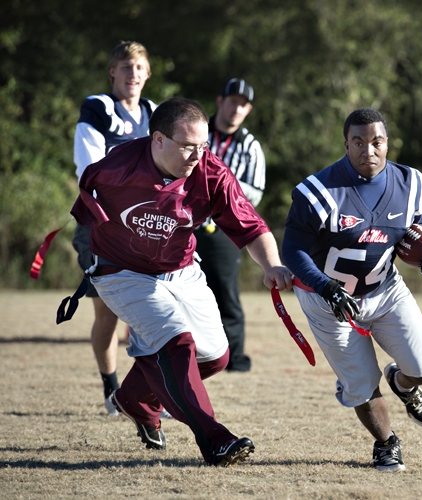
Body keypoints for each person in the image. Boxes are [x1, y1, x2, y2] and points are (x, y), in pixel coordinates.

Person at [69, 97, 293, 466]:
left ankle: (135, 399)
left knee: (217, 357)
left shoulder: (212, 172)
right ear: (157, 140)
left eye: (202, 145)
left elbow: (251, 227)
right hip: (122, 271)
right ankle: (215, 440)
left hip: (181, 268)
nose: (197, 154)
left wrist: (272, 264)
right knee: (176, 341)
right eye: (187, 145)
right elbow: (85, 208)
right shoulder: (115, 168)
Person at [281, 107, 422, 472]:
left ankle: (404, 384)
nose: (368, 151)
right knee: (360, 383)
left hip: (384, 289)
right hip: (326, 297)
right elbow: (293, 251)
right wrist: (326, 288)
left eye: (376, 142)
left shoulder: (411, 184)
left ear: (387, 143)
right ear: (346, 145)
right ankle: (386, 443)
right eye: (358, 142)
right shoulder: (317, 192)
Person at [72, 41, 157, 416]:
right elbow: (88, 169)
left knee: (152, 311)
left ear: (148, 73)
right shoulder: (99, 108)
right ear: (113, 72)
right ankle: (111, 389)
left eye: (139, 67)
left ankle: (149, 391)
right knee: (107, 314)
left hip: (146, 226)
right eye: (125, 67)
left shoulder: (155, 113)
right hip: (102, 225)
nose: (132, 74)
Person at [194, 78, 266, 372]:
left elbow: (256, 191)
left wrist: (220, 188)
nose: (237, 108)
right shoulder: (196, 129)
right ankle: (187, 352)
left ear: (248, 110)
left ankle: (234, 358)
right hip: (185, 223)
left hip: (224, 228)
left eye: (243, 104)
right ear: (220, 101)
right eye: (233, 101)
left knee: (225, 293)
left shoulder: (250, 146)